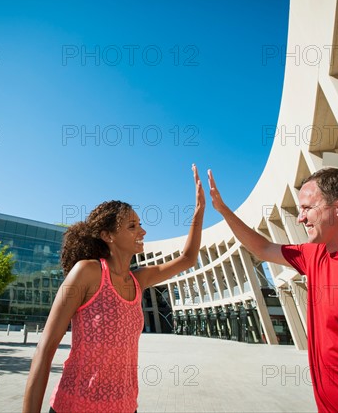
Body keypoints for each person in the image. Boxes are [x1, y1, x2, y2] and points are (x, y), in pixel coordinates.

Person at [208, 167, 338, 412]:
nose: (301, 218)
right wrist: (224, 211)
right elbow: (263, 249)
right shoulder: (314, 255)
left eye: (307, 208)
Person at [23, 164, 205, 413]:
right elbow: (45, 349)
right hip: (74, 406)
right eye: (132, 226)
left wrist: (198, 213)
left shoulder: (139, 280)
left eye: (139, 224)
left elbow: (187, 259)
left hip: (126, 407)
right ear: (108, 235)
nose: (142, 231)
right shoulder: (87, 272)